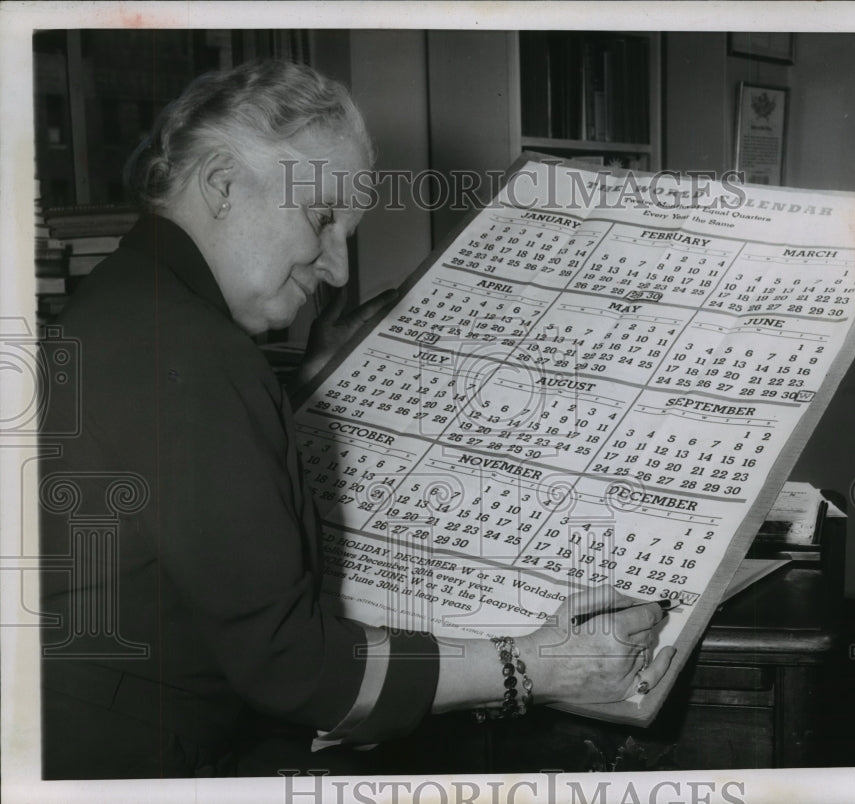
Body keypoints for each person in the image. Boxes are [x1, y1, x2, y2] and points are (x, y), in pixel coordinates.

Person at [39, 60, 674, 779]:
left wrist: (304, 392)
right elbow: (290, 663)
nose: (338, 269)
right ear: (220, 183)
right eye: (321, 218)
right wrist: (532, 666)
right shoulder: (189, 348)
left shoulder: (131, 300)